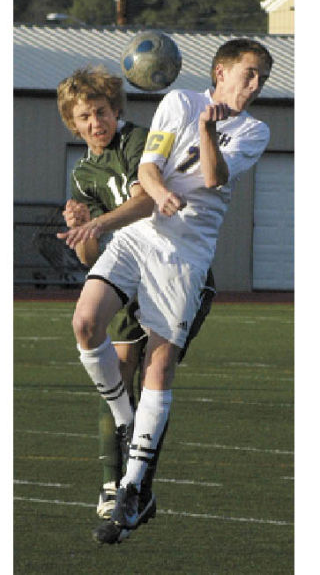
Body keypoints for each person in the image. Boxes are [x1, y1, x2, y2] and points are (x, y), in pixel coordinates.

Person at [58, 37, 272, 545]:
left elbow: (216, 178)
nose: (255, 85)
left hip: (187, 254)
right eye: (248, 73)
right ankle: (124, 419)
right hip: (139, 236)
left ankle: (133, 490)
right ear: (221, 71)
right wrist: (157, 194)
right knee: (85, 322)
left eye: (261, 78)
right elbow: (150, 168)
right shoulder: (177, 101)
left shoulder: (256, 130)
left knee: (158, 364)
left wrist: (208, 132)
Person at [56, 66, 216, 542]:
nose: (94, 123)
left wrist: (101, 223)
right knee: (114, 376)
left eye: (100, 112)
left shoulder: (139, 141)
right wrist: (83, 225)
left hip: (173, 267)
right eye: (84, 117)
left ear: (115, 109)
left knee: (150, 378)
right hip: (125, 273)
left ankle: (133, 487)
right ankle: (116, 486)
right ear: (73, 123)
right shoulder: (83, 172)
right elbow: (90, 256)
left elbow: (146, 200)